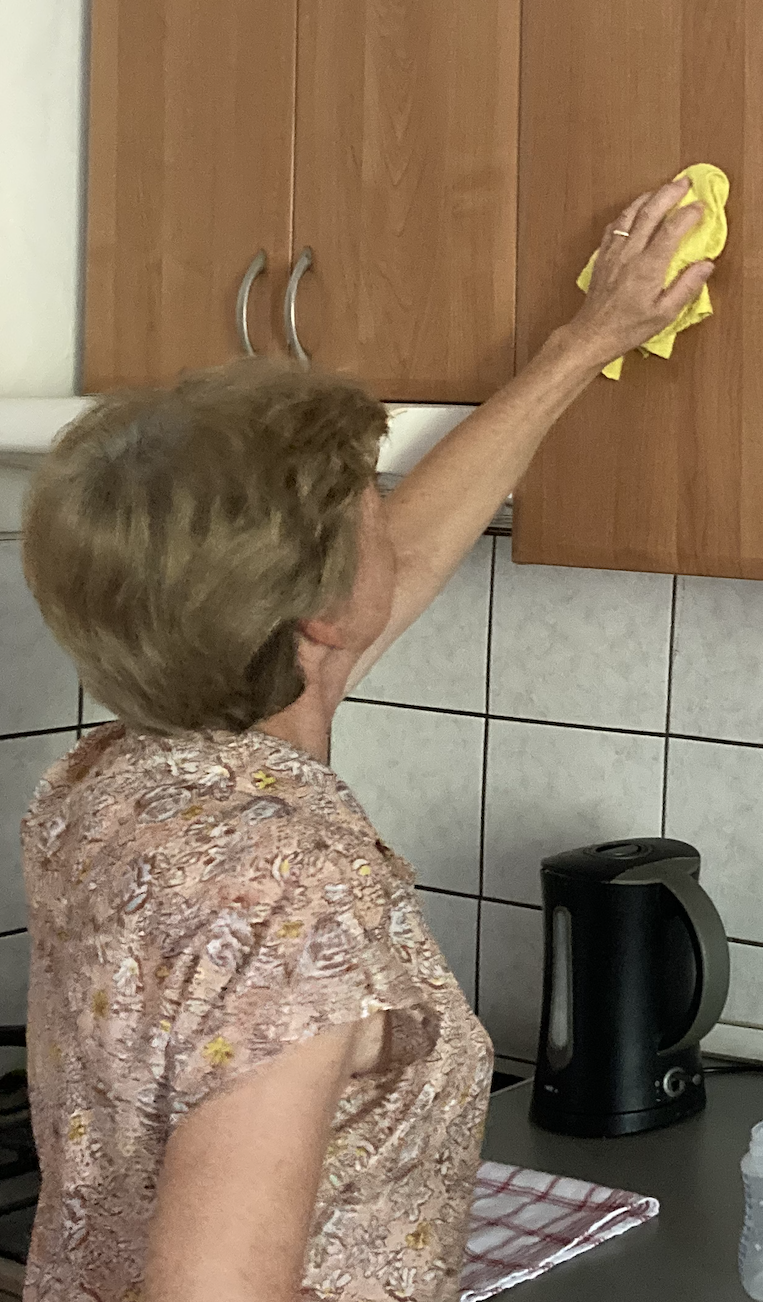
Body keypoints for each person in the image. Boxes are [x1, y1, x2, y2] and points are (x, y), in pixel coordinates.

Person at [15, 178, 715, 1302]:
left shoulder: (111, 779)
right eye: (369, 506)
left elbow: (373, 591)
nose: (395, 514)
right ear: (315, 610)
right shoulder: (287, 888)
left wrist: (590, 340)